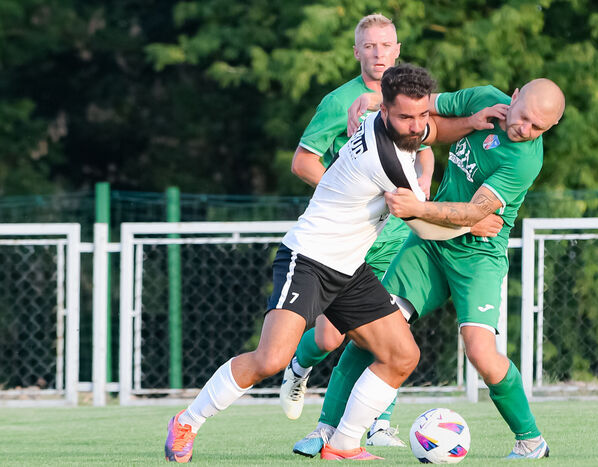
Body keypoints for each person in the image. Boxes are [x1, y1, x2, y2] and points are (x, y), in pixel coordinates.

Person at [164, 64, 508, 463]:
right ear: (385, 113)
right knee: (270, 359)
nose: (416, 127)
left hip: (349, 269)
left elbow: (431, 129)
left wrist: (467, 121)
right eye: (405, 118)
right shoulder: (389, 162)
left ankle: (343, 445)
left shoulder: (396, 127)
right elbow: (427, 226)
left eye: (421, 116)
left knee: (401, 356)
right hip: (308, 259)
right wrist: (473, 220)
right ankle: (187, 421)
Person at [294, 78, 566, 459]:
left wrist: (418, 207)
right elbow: (426, 109)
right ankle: (326, 432)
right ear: (515, 95)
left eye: (539, 128)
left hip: (479, 256)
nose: (526, 130)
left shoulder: (525, 159)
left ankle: (531, 441)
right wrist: (374, 100)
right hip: (430, 246)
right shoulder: (484, 97)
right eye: (524, 118)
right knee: (372, 330)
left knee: (481, 354)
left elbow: (475, 212)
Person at [282, 13, 503, 451]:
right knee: (329, 337)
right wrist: (352, 192)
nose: (379, 53)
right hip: (349, 240)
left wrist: (426, 176)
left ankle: (373, 424)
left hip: (396, 236)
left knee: (392, 329)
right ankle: (298, 368)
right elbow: (303, 162)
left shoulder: (409, 95)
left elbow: (423, 144)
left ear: (397, 49)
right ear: (357, 51)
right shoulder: (340, 101)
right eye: (370, 46)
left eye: (386, 45)